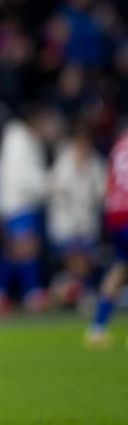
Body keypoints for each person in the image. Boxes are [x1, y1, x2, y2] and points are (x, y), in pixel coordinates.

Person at [0, 106, 51, 314]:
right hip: (17, 202)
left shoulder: (25, 140)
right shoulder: (18, 140)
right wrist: (47, 185)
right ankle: (32, 293)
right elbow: (21, 176)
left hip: (20, 202)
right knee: (26, 246)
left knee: (13, 251)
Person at [47, 127, 105, 307]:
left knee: (86, 259)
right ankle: (72, 293)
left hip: (87, 219)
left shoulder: (96, 162)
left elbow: (102, 190)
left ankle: (75, 292)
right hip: (66, 220)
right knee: (73, 257)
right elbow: (56, 187)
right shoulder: (63, 161)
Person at [84, 124, 128, 348]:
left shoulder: (119, 144)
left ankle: (97, 328)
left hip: (115, 214)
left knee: (121, 267)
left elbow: (109, 182)